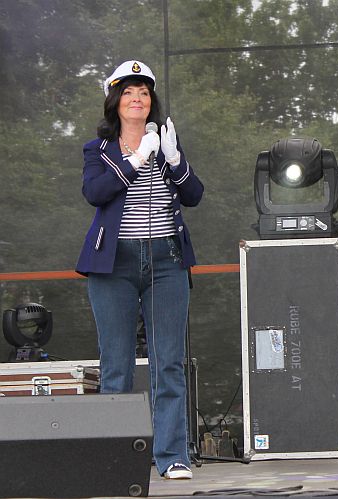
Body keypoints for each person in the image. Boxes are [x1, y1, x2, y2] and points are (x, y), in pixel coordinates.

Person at [76, 60, 204, 480]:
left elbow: (194, 194)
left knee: (168, 362)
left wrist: (174, 159)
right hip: (114, 263)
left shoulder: (165, 142)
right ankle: (116, 462)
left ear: (152, 101)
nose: (137, 99)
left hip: (166, 260)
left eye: (144, 93)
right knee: (117, 364)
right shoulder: (98, 150)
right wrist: (135, 160)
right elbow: (95, 192)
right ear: (115, 101)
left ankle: (173, 456)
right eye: (129, 92)